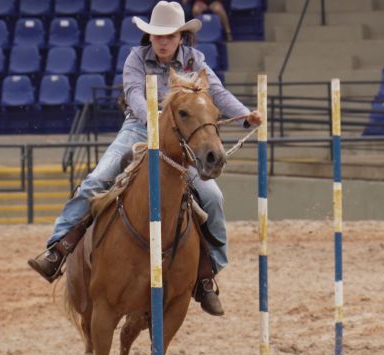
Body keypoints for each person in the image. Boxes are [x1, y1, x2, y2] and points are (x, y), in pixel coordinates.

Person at [28, 1, 262, 316]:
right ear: (150, 37)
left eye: (169, 35)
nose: (162, 41)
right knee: (98, 179)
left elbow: (217, 94)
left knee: (212, 197)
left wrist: (246, 115)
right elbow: (136, 96)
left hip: (179, 142)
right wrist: (158, 120)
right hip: (139, 129)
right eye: (157, 36)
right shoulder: (136, 58)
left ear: (181, 36)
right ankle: (58, 249)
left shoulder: (196, 61)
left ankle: (207, 274)